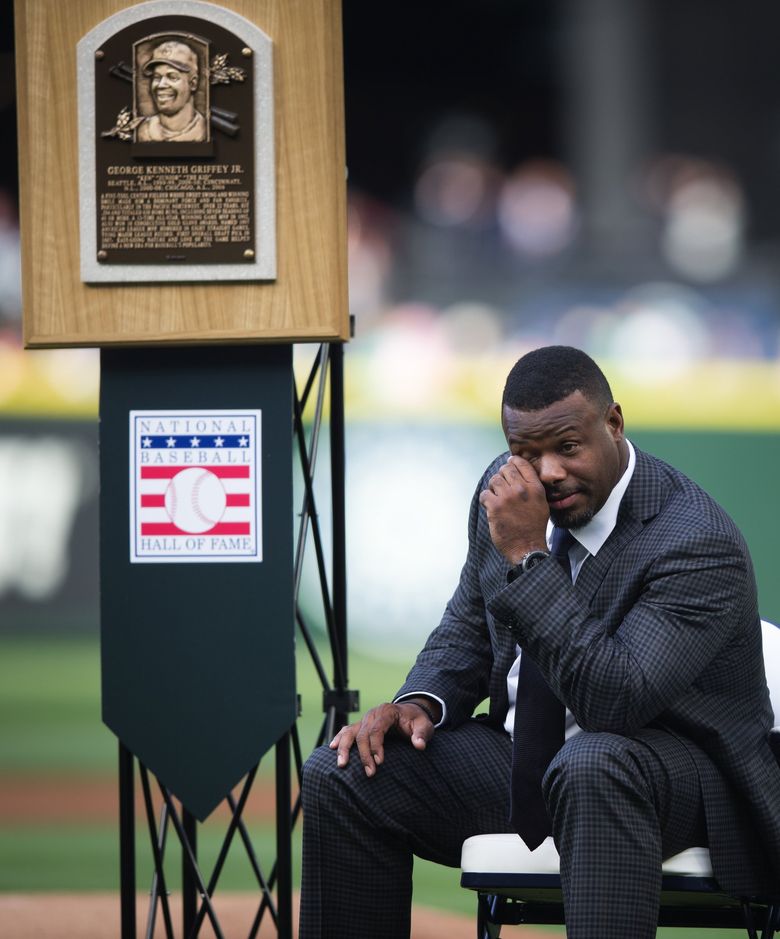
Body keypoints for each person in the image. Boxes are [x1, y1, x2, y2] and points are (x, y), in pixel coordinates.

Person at [299, 345, 780, 939]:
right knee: (345, 772)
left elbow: (616, 703)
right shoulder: (506, 494)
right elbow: (468, 628)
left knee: (594, 761)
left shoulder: (695, 540)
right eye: (526, 453)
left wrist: (530, 559)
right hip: (532, 763)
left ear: (614, 424)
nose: (546, 471)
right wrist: (418, 703)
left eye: (567, 448)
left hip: (681, 776)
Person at [137, 40, 207, 143]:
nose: (161, 85)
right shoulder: (142, 131)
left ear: (193, 84)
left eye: (172, 77)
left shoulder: (205, 130)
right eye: (157, 77)